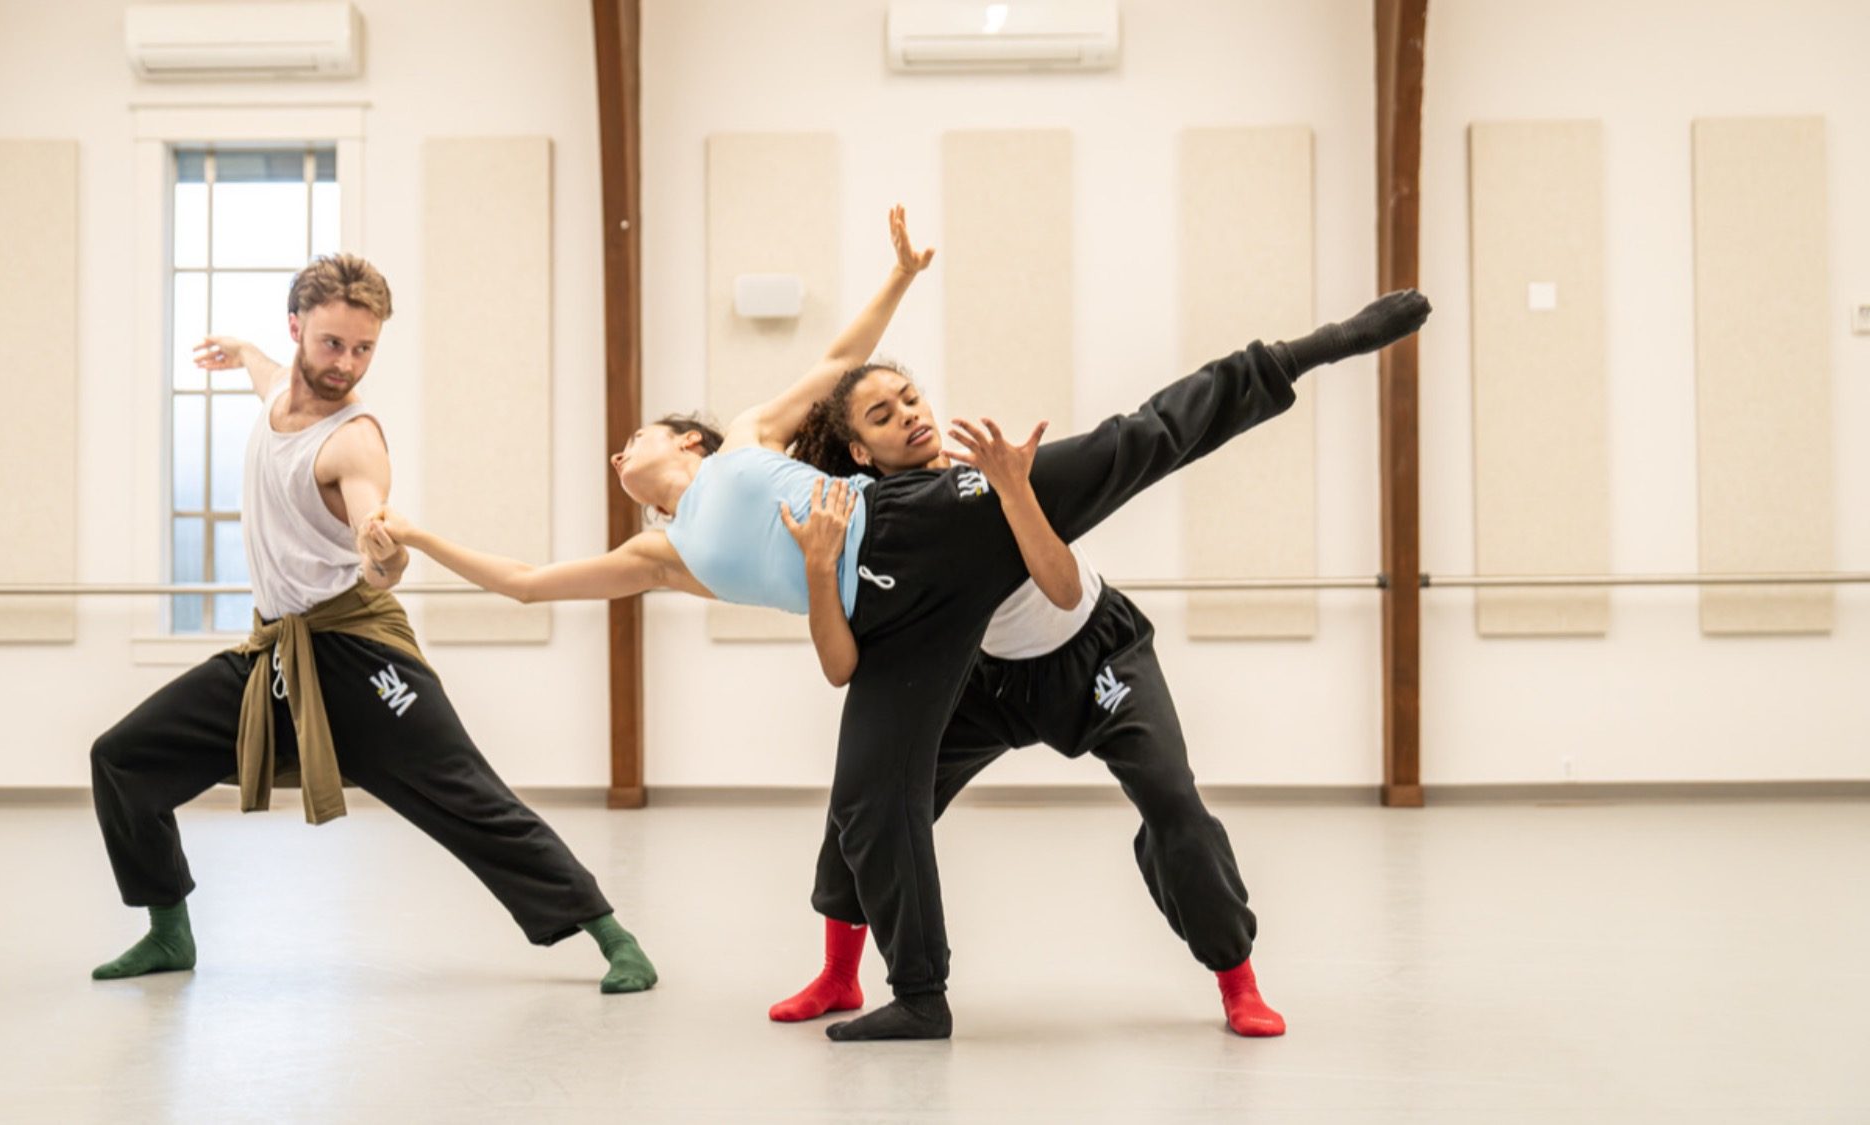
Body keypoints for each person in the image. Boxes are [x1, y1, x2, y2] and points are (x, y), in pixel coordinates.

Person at [373, 206, 1431, 1038]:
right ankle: (863, 981)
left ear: (682, 442)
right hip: (924, 635)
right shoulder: (663, 554)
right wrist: (416, 534)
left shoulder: (749, 438)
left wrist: (898, 279)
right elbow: (520, 582)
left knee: (1135, 448)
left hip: (1018, 596)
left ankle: (1312, 349)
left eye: (632, 439)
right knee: (867, 803)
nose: (620, 455)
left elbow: (842, 365)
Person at [87, 254, 656, 995]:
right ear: (296, 327)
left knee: (468, 794)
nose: (346, 363)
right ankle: (168, 931)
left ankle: (613, 936)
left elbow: (373, 532)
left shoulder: (354, 440)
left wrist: (380, 554)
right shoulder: (273, 395)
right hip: (277, 651)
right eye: (332, 343)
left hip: (360, 651)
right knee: (123, 758)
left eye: (364, 348)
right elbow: (267, 375)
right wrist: (242, 353)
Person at [771, 384, 1284, 1037]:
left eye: (908, 399)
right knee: (868, 801)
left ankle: (1238, 980)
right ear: (859, 451)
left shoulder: (984, 486)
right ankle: (839, 974)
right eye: (882, 415)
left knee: (1172, 799)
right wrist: (818, 566)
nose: (907, 414)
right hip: (987, 682)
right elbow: (846, 661)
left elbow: (1066, 592)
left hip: (1094, 657)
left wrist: (1014, 488)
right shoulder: (874, 532)